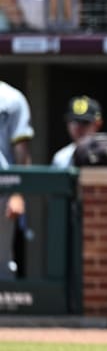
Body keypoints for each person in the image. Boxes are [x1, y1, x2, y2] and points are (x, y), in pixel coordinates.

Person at [0, 81, 33, 280]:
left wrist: (18, 193)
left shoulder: (11, 98)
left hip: (3, 188)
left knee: (1, 262)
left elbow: (22, 151)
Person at [52, 96, 103, 168]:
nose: (78, 127)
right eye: (74, 122)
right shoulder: (61, 158)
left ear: (98, 124)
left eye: (84, 122)